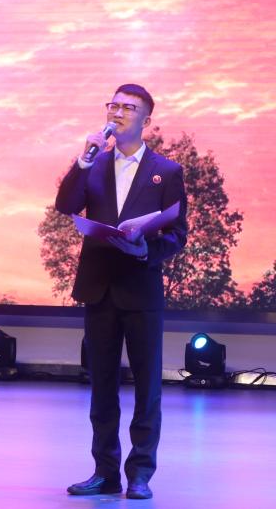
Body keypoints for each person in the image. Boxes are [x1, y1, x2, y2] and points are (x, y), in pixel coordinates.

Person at [55, 83, 188, 500]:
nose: (118, 112)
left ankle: (141, 473)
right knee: (102, 386)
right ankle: (104, 471)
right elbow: (65, 205)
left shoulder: (166, 171)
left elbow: (178, 234)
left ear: (146, 119)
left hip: (140, 288)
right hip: (99, 287)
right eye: (113, 105)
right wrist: (82, 160)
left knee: (147, 387)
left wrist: (146, 247)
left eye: (129, 108)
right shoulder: (94, 164)